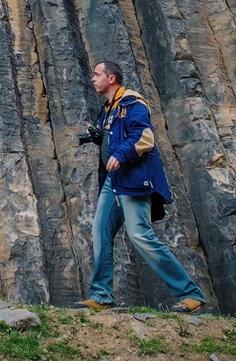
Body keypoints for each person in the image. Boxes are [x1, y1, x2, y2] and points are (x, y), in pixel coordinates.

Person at [74, 61, 206, 313]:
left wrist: (121, 153)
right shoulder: (108, 109)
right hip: (113, 182)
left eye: (97, 74)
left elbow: (144, 137)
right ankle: (101, 296)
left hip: (133, 180)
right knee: (100, 232)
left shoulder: (133, 102)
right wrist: (97, 136)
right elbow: (114, 137)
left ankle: (191, 294)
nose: (93, 79)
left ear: (111, 78)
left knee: (139, 235)